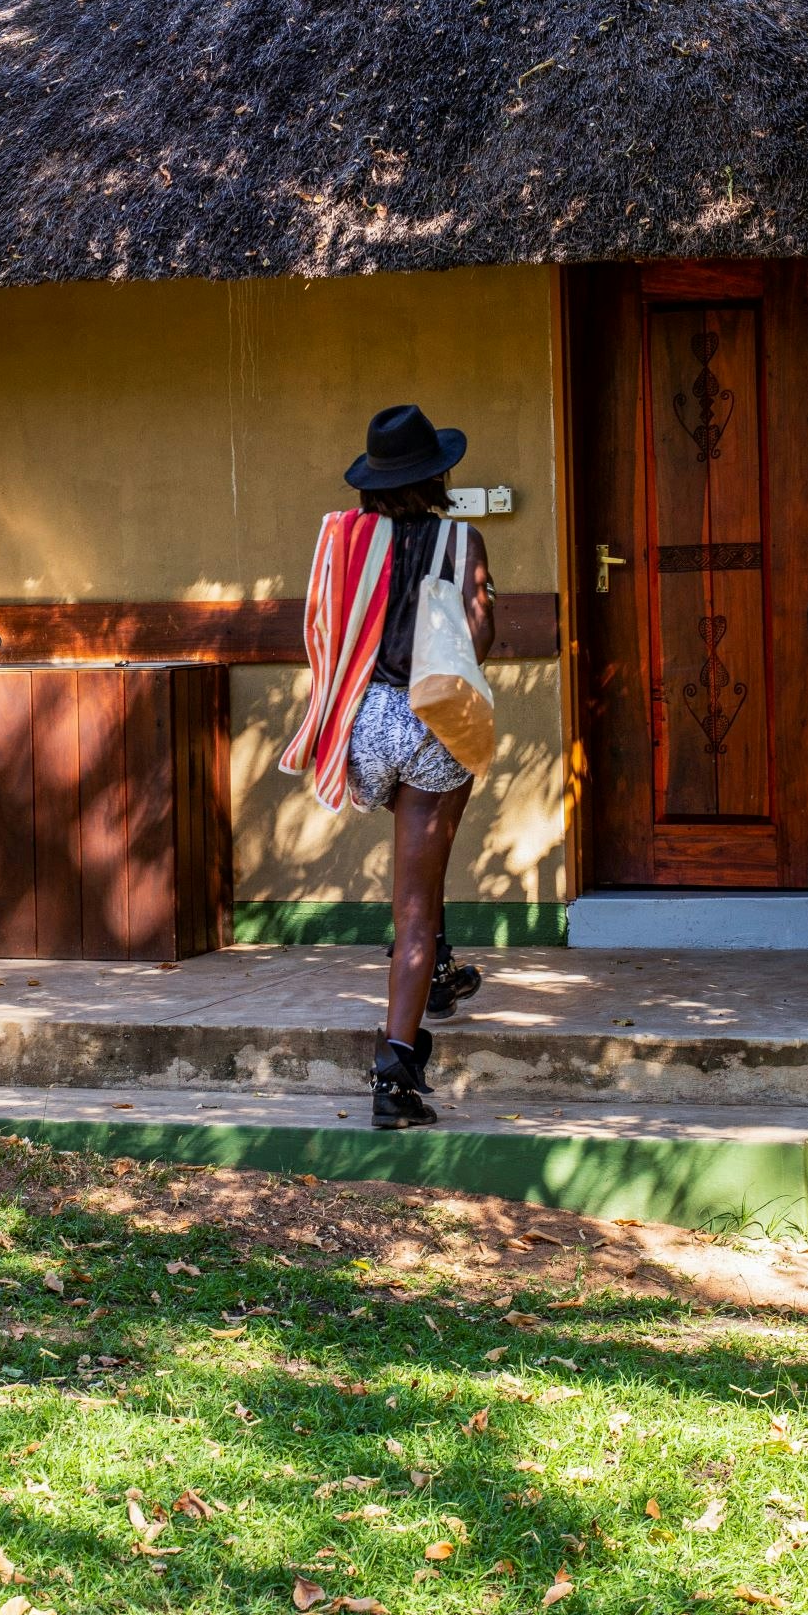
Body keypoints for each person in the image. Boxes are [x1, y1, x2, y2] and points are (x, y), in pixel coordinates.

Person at [280, 404, 496, 1130]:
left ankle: (439, 969)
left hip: (361, 720)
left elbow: (322, 625)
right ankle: (394, 1079)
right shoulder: (460, 541)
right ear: (436, 476)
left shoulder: (343, 540)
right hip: (428, 718)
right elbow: (479, 636)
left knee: (416, 876)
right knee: (414, 905)